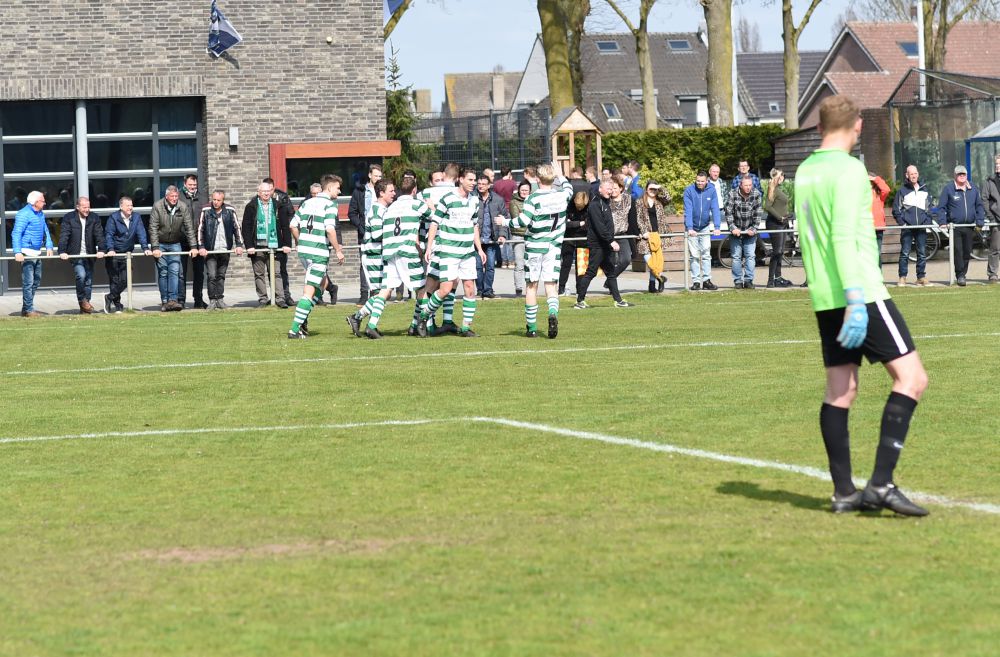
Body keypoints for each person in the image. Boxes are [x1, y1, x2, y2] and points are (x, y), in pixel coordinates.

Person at [795, 95, 929, 516]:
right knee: (912, 379)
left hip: (824, 296)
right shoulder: (851, 170)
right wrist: (855, 297)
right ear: (857, 125)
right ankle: (881, 484)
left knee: (841, 390)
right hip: (862, 292)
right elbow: (842, 237)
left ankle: (843, 493)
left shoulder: (804, 170)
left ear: (819, 128)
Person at [501, 163, 573, 338]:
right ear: (553, 178)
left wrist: (504, 222)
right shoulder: (561, 195)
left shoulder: (533, 198)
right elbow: (569, 188)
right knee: (551, 285)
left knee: (531, 286)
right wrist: (561, 175)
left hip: (534, 246)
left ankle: (532, 328)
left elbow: (523, 221)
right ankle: (552, 313)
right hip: (553, 247)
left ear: (538, 179)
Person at [416, 168, 487, 337]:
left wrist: (479, 249)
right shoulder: (447, 199)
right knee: (445, 289)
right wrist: (429, 247)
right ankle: (424, 315)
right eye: (470, 179)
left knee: (470, 289)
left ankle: (465, 328)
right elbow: (435, 223)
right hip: (448, 251)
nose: (473, 183)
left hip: (467, 252)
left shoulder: (474, 201)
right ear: (460, 179)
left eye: (474, 180)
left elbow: (474, 226)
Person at [288, 174, 346, 339]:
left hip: (304, 251)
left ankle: (303, 317)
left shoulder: (307, 202)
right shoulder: (330, 205)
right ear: (329, 187)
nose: (339, 191)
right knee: (309, 290)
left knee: (323, 284)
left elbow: (292, 225)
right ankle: (294, 329)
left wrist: (301, 240)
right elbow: (330, 229)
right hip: (318, 252)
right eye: (337, 188)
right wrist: (338, 250)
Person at [347, 179, 396, 337]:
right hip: (373, 256)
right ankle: (366, 323)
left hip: (379, 255)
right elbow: (376, 235)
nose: (394, 194)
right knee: (382, 292)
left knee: (385, 292)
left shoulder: (383, 209)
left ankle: (357, 318)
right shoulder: (377, 210)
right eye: (391, 191)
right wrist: (396, 236)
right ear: (381, 193)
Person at [574, 179, 630, 308]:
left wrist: (609, 241)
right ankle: (579, 301)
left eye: (612, 189)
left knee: (610, 273)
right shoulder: (595, 204)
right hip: (597, 245)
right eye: (608, 189)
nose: (610, 191)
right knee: (591, 272)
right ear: (600, 189)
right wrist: (611, 241)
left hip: (605, 245)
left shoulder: (605, 203)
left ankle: (618, 301)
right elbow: (600, 227)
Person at [419, 164, 461, 332]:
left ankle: (438, 322)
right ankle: (428, 322)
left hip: (434, 241)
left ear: (444, 175)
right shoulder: (459, 193)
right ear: (458, 178)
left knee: (440, 282)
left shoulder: (425, 193)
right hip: (449, 242)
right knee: (444, 283)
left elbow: (418, 216)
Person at [242, 181, 293, 307]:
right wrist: (249, 246)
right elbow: (246, 228)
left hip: (275, 246)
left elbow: (285, 226)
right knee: (259, 274)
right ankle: (263, 299)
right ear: (258, 192)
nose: (266, 193)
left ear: (271, 192)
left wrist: (287, 244)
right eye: (263, 191)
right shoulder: (251, 206)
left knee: (276, 273)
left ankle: (280, 299)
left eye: (268, 191)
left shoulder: (279, 206)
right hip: (257, 246)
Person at [150, 185, 198, 312]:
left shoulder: (182, 207)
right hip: (160, 243)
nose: (174, 198)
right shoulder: (157, 206)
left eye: (176, 196)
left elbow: (189, 227)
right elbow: (153, 228)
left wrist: (193, 246)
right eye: (172, 196)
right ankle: (165, 301)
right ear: (166, 196)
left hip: (175, 243)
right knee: (163, 272)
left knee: (174, 271)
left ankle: (173, 300)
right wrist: (155, 247)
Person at [938, 164, 985, 286]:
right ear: (955, 176)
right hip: (955, 227)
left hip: (969, 226)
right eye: (959, 174)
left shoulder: (973, 188)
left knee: (967, 251)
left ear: (966, 175)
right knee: (958, 251)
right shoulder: (948, 189)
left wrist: (980, 220)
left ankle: (963, 273)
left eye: (963, 174)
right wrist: (942, 222)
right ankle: (960, 275)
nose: (962, 176)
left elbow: (979, 206)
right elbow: (941, 207)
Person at [196, 190, 244, 310]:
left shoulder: (230, 210)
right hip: (210, 250)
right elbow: (200, 229)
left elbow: (237, 228)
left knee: (221, 275)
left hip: (224, 249)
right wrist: (201, 246)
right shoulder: (205, 210)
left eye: (218, 200)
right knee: (212, 275)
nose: (216, 202)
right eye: (214, 199)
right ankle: (212, 300)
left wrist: (239, 244)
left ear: (223, 200)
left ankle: (220, 299)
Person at [103, 196, 152, 313]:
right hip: (114, 253)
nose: (130, 208)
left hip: (127, 254)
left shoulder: (136, 217)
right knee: (115, 280)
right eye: (128, 205)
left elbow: (141, 233)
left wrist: (145, 247)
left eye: (131, 205)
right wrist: (110, 249)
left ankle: (109, 297)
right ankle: (117, 304)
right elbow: (109, 234)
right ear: (121, 207)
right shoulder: (113, 217)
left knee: (125, 280)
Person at [58, 196, 105, 313]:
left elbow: (99, 234)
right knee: (81, 275)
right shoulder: (69, 218)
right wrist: (62, 251)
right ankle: (82, 300)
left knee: (88, 280)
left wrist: (102, 249)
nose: (87, 210)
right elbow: (64, 235)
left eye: (88, 207)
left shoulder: (94, 218)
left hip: (89, 254)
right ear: (77, 207)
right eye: (84, 207)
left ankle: (85, 306)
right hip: (76, 254)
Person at [12, 191, 54, 317]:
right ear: (35, 202)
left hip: (37, 252)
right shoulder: (23, 214)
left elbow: (45, 230)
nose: (45, 203)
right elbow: (16, 233)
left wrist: (49, 245)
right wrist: (17, 251)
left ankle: (26, 308)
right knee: (28, 282)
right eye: (43, 201)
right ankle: (29, 310)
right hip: (27, 253)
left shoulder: (40, 213)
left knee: (36, 281)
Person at [892, 165, 935, 287]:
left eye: (915, 173)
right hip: (907, 228)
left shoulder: (924, 190)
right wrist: (903, 224)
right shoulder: (902, 191)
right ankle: (902, 277)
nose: (914, 176)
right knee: (905, 253)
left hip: (921, 227)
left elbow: (929, 208)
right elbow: (896, 209)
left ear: (918, 174)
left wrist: (927, 222)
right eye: (911, 174)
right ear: (907, 175)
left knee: (922, 253)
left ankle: (921, 277)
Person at [348, 164, 382, 303]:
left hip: (381, 232)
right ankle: (363, 294)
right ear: (369, 175)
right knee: (364, 264)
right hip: (364, 234)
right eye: (375, 176)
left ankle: (377, 292)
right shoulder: (360, 191)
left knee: (380, 261)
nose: (378, 178)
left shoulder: (383, 191)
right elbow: (352, 212)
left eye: (380, 176)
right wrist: (360, 226)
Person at [683, 171, 722, 290]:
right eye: (698, 181)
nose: (699, 183)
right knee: (694, 255)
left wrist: (717, 227)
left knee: (706, 254)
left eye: (702, 181)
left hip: (705, 226)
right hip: (692, 228)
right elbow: (688, 210)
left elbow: (715, 208)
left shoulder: (712, 190)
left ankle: (706, 280)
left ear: (706, 181)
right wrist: (690, 227)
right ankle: (696, 281)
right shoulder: (689, 191)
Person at [474, 173, 510, 298]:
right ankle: (480, 290)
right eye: (479, 184)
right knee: (478, 267)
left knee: (490, 266)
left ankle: (488, 290)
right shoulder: (472, 198)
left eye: (484, 184)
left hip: (491, 239)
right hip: (476, 240)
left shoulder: (498, 200)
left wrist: (502, 235)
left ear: (489, 185)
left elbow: (504, 218)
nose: (480, 186)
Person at [726, 174, 762, 289]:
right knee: (736, 257)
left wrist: (754, 228)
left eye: (750, 185)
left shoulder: (756, 194)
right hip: (736, 230)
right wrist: (733, 228)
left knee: (750, 256)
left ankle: (748, 280)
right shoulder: (732, 194)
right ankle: (737, 281)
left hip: (749, 230)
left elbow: (758, 213)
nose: (748, 187)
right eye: (746, 185)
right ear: (741, 185)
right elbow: (728, 212)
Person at [634, 181, 671, 293]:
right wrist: (644, 231)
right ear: (646, 189)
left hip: (658, 235)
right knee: (650, 261)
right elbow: (638, 218)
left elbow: (668, 198)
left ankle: (652, 285)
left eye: (655, 189)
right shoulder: (639, 202)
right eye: (651, 189)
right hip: (646, 236)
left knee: (656, 260)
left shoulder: (659, 201)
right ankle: (660, 277)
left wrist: (661, 187)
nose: (653, 191)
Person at [179, 174, 208, 309]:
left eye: (194, 185)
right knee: (181, 272)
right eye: (190, 185)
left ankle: (198, 299)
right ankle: (181, 300)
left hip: (198, 240)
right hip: (182, 240)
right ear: (185, 184)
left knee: (199, 272)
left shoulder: (203, 197)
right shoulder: (178, 197)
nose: (192, 187)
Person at [764, 168, 793, 288]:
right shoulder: (772, 189)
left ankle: (778, 278)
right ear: (775, 177)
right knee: (777, 251)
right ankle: (771, 280)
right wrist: (779, 217)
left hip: (782, 223)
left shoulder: (777, 189)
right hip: (775, 223)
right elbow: (767, 206)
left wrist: (785, 216)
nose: (783, 177)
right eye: (781, 175)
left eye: (783, 175)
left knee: (780, 252)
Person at [559, 190, 588, 296]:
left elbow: (588, 224)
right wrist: (579, 223)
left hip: (583, 238)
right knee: (566, 264)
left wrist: (572, 223)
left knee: (581, 265)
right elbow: (564, 224)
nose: (579, 209)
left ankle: (580, 289)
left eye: (581, 207)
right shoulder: (568, 206)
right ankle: (561, 288)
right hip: (569, 237)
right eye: (577, 206)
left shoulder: (589, 207)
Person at [608, 174, 634, 279]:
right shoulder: (606, 200)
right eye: (611, 188)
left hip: (622, 234)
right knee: (610, 262)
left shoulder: (628, 199)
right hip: (609, 235)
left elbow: (633, 216)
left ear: (621, 188)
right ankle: (612, 283)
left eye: (615, 188)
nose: (613, 191)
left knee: (626, 259)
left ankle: (610, 279)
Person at [508, 180, 531, 296]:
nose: (524, 192)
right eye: (522, 190)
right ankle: (518, 289)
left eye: (526, 190)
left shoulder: (533, 201)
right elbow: (517, 219)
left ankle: (530, 288)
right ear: (519, 190)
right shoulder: (513, 202)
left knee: (530, 264)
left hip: (531, 236)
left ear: (530, 191)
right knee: (519, 264)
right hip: (518, 236)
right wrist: (528, 219)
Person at [982, 155, 1000, 283]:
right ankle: (992, 274)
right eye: (996, 164)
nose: (998, 166)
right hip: (996, 220)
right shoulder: (989, 182)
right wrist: (991, 217)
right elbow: (984, 199)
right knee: (995, 249)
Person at [869, 171, 890, 268]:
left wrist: (875, 178)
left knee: (877, 253)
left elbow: (886, 189)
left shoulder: (879, 194)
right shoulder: (861, 193)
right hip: (866, 227)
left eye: (871, 181)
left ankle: (878, 275)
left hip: (878, 227)